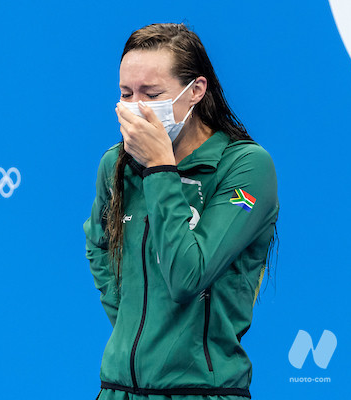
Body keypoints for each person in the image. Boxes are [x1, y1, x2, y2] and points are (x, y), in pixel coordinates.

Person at [83, 23, 279, 400]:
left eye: (151, 94)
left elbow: (188, 277)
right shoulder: (117, 164)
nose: (136, 107)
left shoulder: (246, 167)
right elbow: (100, 246)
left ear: (196, 91)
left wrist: (160, 167)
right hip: (117, 390)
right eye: (126, 93)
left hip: (203, 391)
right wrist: (133, 321)